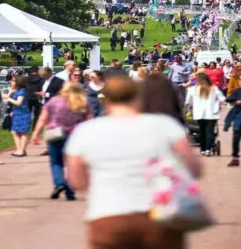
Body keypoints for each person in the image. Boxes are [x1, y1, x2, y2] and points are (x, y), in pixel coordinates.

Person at [65, 74, 201, 249]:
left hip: (108, 216)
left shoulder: (85, 131)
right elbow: (195, 169)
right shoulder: (164, 125)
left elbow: (77, 181)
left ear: (104, 99)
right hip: (160, 216)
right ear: (138, 96)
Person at [32, 82, 92, 200]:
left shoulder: (54, 101)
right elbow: (89, 121)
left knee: (56, 162)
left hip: (55, 134)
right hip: (75, 136)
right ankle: (70, 190)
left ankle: (59, 183)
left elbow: (43, 118)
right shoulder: (82, 103)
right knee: (73, 163)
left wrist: (35, 133)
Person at [184, 72, 223, 156]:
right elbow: (222, 99)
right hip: (211, 114)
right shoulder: (214, 88)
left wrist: (189, 107)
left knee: (202, 131)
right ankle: (208, 149)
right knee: (210, 131)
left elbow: (188, 102)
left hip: (199, 114)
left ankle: (203, 149)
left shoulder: (192, 89)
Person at [5, 75, 31, 156]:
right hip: (16, 113)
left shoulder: (22, 91)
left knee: (22, 132)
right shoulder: (15, 91)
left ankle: (21, 150)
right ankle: (20, 149)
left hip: (22, 113)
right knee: (15, 131)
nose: (11, 82)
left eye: (13, 81)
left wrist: (8, 98)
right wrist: (10, 92)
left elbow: (19, 103)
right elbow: (8, 99)